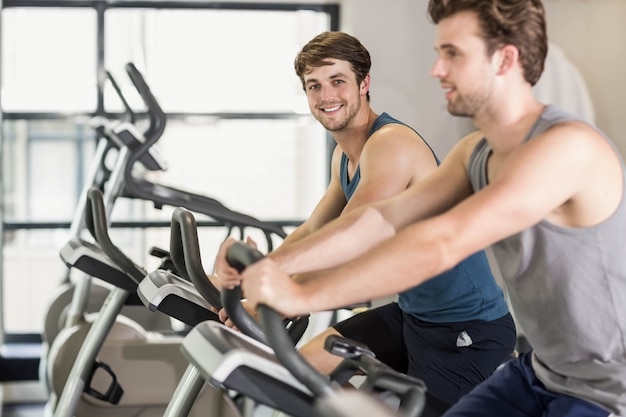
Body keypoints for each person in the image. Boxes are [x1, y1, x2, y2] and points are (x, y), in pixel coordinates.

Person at [216, 2, 626, 417]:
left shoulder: (565, 148)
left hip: (606, 390)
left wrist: (301, 294)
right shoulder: (475, 153)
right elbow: (380, 218)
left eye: (453, 54)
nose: (437, 70)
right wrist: (265, 268)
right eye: (439, 53)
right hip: (539, 371)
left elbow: (440, 243)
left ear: (505, 58)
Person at [216, 31, 516, 416]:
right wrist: (244, 279)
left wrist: (274, 296)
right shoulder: (344, 157)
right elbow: (313, 232)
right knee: (296, 370)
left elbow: (352, 241)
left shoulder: (390, 142)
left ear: (364, 83)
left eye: (337, 81)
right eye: (314, 86)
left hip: (466, 331)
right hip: (413, 315)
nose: (326, 96)